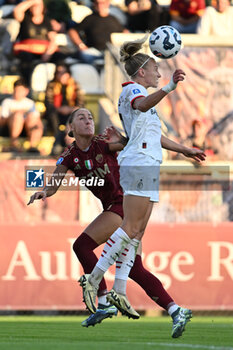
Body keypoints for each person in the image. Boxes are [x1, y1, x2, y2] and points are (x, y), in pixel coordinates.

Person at [27, 107, 204, 336]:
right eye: (81, 117)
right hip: (118, 208)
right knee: (135, 269)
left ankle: (103, 301)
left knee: (81, 246)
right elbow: (54, 184)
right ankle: (176, 310)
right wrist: (43, 192)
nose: (88, 120)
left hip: (124, 205)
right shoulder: (70, 156)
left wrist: (180, 150)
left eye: (90, 116)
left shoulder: (103, 143)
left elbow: (143, 141)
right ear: (70, 128)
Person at [78, 36, 206, 337]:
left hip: (148, 161)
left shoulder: (142, 97)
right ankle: (95, 279)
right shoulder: (134, 90)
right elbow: (144, 102)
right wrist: (171, 87)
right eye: (155, 69)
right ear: (141, 73)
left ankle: (119, 288)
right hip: (139, 163)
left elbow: (154, 133)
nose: (159, 74)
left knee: (135, 233)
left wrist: (184, 150)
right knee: (129, 228)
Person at [13, 0, 61, 83]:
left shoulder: (47, 21)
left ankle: (56, 84)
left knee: (60, 57)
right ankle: (26, 84)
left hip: (43, 50)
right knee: (25, 59)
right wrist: (33, 1)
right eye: (33, 6)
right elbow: (17, 10)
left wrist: (48, 53)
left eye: (38, 6)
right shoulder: (25, 19)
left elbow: (53, 40)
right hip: (27, 50)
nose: (35, 8)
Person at [44, 62, 84, 155]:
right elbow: (48, 103)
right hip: (56, 113)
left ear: (68, 73)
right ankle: (59, 139)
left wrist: (71, 109)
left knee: (77, 114)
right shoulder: (51, 85)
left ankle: (65, 140)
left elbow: (81, 103)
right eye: (59, 72)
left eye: (63, 72)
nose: (61, 75)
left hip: (71, 113)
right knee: (52, 114)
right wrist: (60, 109)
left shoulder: (75, 85)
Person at [0, 77, 43, 151]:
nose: (17, 93)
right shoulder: (7, 102)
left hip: (27, 129)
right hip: (10, 129)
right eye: (16, 90)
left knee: (32, 117)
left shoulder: (30, 103)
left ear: (26, 91)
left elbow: (37, 121)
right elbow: (2, 122)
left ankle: (32, 146)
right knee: (17, 116)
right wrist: (15, 115)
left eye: (20, 91)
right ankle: (14, 144)